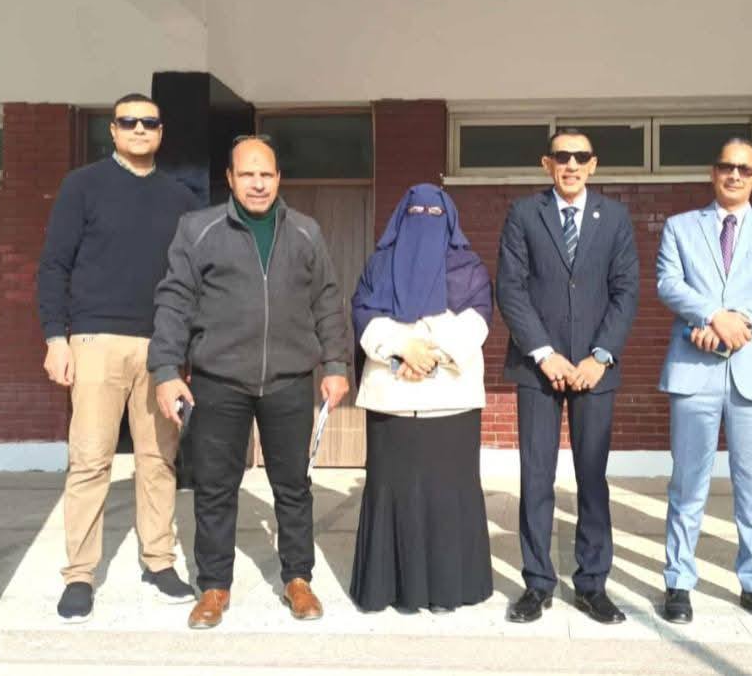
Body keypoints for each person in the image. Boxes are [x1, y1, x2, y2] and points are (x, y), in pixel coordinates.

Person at [147, 135, 351, 629]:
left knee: (293, 486)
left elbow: (327, 300)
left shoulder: (305, 232)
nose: (257, 184)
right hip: (219, 380)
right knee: (216, 488)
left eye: (266, 174)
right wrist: (166, 371)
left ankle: (297, 578)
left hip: (288, 380)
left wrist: (336, 364)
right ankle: (214, 586)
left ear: (278, 178)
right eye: (247, 174)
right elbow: (174, 301)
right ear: (230, 179)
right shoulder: (199, 229)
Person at [37, 92, 199, 623]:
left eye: (149, 122)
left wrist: (184, 351)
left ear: (161, 131)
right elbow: (54, 265)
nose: (139, 129)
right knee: (90, 460)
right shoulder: (81, 185)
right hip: (94, 341)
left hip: (160, 347)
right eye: (128, 121)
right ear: (113, 130)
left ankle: (159, 561)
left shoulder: (179, 198)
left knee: (159, 460)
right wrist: (55, 338)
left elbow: (191, 281)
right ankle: (80, 574)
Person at [496, 128, 639, 624]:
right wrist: (544, 354)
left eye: (580, 157)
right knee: (536, 477)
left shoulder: (615, 217)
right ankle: (537, 583)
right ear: (547, 164)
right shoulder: (523, 214)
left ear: (593, 164)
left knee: (591, 478)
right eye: (562, 157)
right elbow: (510, 288)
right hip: (539, 368)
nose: (571, 164)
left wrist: (600, 356)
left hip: (594, 370)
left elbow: (626, 290)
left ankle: (592, 584)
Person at [657, 138, 752, 625]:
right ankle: (679, 581)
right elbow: (669, 284)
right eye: (726, 166)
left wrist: (738, 319)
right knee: (687, 485)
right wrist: (712, 315)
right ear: (712, 172)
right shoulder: (679, 227)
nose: (734, 175)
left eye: (744, 168)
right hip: (693, 370)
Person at [348, 184, 494, 613]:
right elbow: (363, 312)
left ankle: (448, 590)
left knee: (448, 494)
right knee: (394, 492)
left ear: (450, 221)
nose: (425, 219)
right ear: (401, 218)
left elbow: (478, 317)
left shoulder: (469, 268)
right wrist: (401, 350)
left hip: (452, 401)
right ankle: (393, 589)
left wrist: (428, 353)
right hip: (392, 401)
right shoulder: (380, 265)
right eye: (416, 212)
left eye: (435, 213)